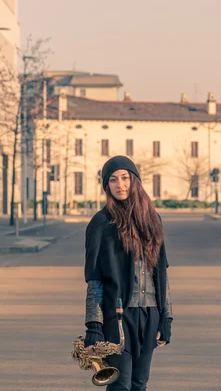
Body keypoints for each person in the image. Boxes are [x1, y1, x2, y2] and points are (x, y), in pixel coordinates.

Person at [83, 155, 173, 391]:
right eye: (112, 179)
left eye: (124, 178)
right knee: (121, 384)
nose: (119, 184)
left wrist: (166, 317)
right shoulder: (101, 223)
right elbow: (95, 280)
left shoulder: (153, 220)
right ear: (106, 186)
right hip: (119, 317)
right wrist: (94, 325)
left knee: (139, 383)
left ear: (135, 181)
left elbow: (161, 274)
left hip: (150, 313)